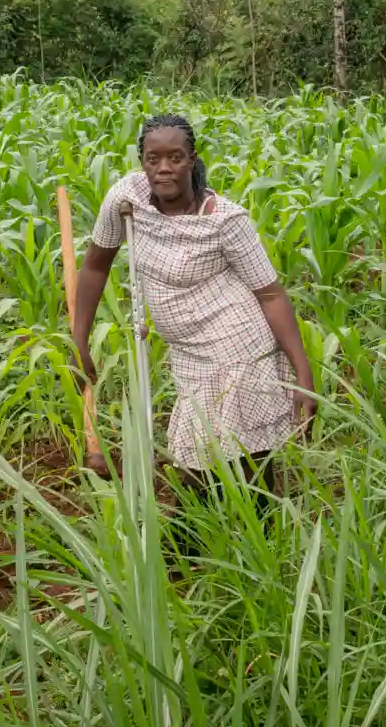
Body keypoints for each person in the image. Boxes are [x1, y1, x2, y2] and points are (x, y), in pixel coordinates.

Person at [68, 113, 317, 500]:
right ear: (142, 161)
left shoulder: (224, 220)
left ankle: (191, 545)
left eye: (176, 158)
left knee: (217, 463)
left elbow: (271, 294)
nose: (164, 168)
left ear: (192, 159)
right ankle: (246, 536)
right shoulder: (126, 199)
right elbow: (95, 265)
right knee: (224, 458)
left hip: (238, 346)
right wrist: (79, 340)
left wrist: (303, 375)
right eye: (153, 159)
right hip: (188, 352)